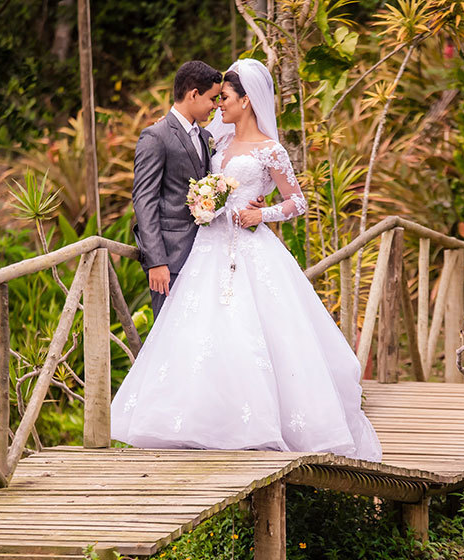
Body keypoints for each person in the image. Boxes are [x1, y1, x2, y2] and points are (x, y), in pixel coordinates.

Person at [111, 58, 381, 462]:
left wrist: (263, 214)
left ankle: (261, 426)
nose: (219, 106)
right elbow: (182, 191)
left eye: (226, 99)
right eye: (216, 99)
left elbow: (298, 201)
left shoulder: (270, 151)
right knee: (204, 334)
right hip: (207, 248)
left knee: (256, 332)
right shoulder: (214, 145)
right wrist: (205, 206)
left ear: (247, 101)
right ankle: (200, 424)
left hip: (252, 250)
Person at [131, 60, 222, 318]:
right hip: (170, 260)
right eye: (212, 99)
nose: (215, 106)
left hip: (205, 253)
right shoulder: (155, 136)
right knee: (167, 335)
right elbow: (144, 200)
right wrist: (157, 261)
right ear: (193, 94)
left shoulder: (206, 138)